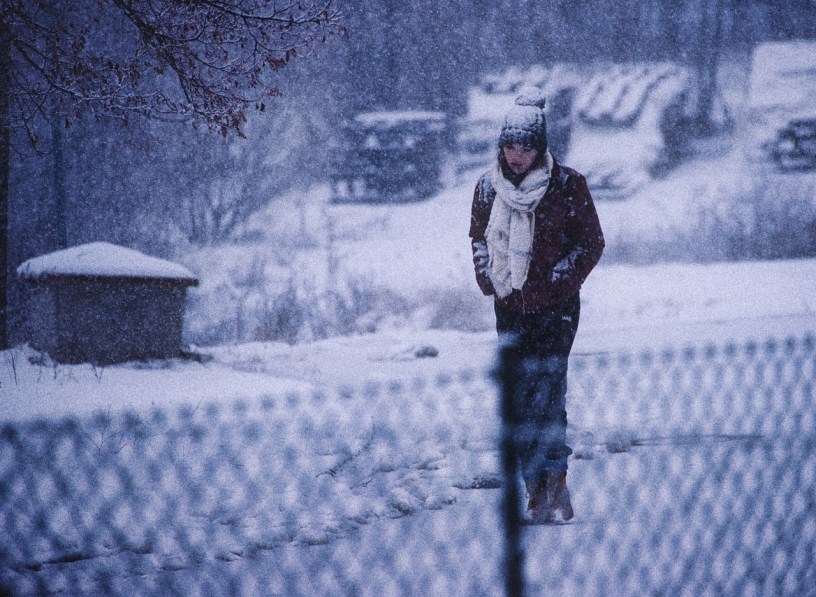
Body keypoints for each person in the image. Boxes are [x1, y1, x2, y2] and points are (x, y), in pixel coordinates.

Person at [469, 90, 604, 524]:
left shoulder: (568, 186)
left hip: (556, 310)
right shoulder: (488, 187)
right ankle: (540, 486)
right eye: (510, 146)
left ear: (540, 146)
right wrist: (489, 278)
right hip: (510, 308)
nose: (517, 155)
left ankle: (551, 481)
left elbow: (590, 244)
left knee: (546, 393)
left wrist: (555, 283)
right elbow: (478, 239)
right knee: (520, 399)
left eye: (525, 146)